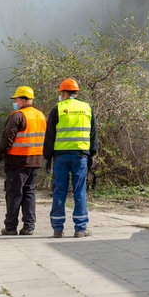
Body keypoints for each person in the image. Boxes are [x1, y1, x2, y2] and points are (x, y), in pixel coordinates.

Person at [43, 77, 97, 238]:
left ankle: (57, 228)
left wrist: (47, 157)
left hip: (60, 157)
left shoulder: (58, 109)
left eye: (61, 92)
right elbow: (93, 133)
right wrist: (92, 153)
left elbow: (50, 135)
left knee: (59, 191)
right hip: (80, 156)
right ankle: (80, 228)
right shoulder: (87, 108)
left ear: (65, 93)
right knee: (79, 191)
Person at [0, 85, 47, 236]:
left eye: (16, 99)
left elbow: (7, 139)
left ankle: (10, 227)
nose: (14, 102)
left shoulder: (18, 116)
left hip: (17, 161)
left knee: (14, 193)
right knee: (29, 192)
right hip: (35, 161)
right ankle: (29, 227)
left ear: (22, 100)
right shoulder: (41, 116)